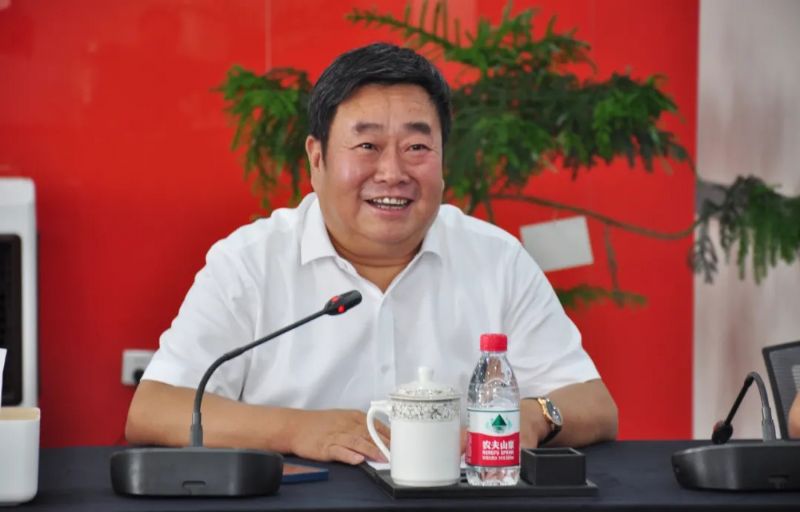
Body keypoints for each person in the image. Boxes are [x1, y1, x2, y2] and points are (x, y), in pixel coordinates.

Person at [125, 43, 618, 465]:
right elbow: (155, 409)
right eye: (366, 145)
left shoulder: (496, 259)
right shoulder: (249, 262)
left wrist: (534, 417)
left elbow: (593, 403)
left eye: (417, 147)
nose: (392, 173)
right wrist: (297, 430)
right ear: (317, 159)